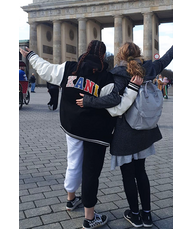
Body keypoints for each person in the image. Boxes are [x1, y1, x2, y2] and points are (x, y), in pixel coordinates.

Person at [20, 40, 142, 229]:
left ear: (86, 52)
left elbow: (45, 70)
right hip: (95, 132)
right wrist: (133, 89)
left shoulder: (69, 68)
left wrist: (30, 56)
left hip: (72, 126)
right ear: (103, 56)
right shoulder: (106, 78)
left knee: (73, 161)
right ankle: (90, 217)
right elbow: (117, 108)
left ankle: (71, 199)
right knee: (91, 172)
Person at [78, 35, 173, 228]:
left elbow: (111, 100)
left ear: (120, 55)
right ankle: (147, 215)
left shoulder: (116, 73)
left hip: (124, 133)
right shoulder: (147, 69)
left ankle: (134, 215)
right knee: (141, 173)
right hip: (144, 132)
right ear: (138, 54)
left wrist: (88, 101)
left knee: (128, 175)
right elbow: (163, 61)